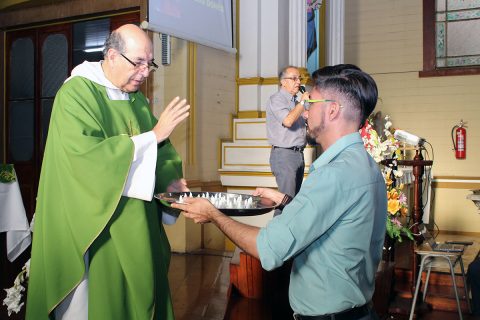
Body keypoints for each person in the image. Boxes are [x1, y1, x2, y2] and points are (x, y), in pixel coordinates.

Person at [174, 66, 387, 319]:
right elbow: (334, 220)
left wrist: (214, 214)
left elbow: (270, 249)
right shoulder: (365, 165)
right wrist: (286, 201)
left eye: (311, 103)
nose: (305, 112)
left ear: (331, 110)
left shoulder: (334, 173)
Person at [26, 24, 190, 320]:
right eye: (138, 62)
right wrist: (153, 136)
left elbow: (161, 149)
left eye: (149, 64)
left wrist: (172, 181)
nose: (145, 72)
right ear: (112, 55)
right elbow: (84, 159)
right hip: (94, 224)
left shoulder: (135, 98)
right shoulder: (76, 94)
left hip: (136, 220)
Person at [266, 66, 310, 216]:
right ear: (283, 82)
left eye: (299, 79)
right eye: (294, 78)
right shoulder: (277, 99)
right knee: (285, 203)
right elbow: (288, 121)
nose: (298, 82)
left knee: (293, 203)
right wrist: (302, 105)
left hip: (298, 155)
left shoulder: (295, 102)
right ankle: (276, 237)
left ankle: (289, 237)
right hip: (285, 155)